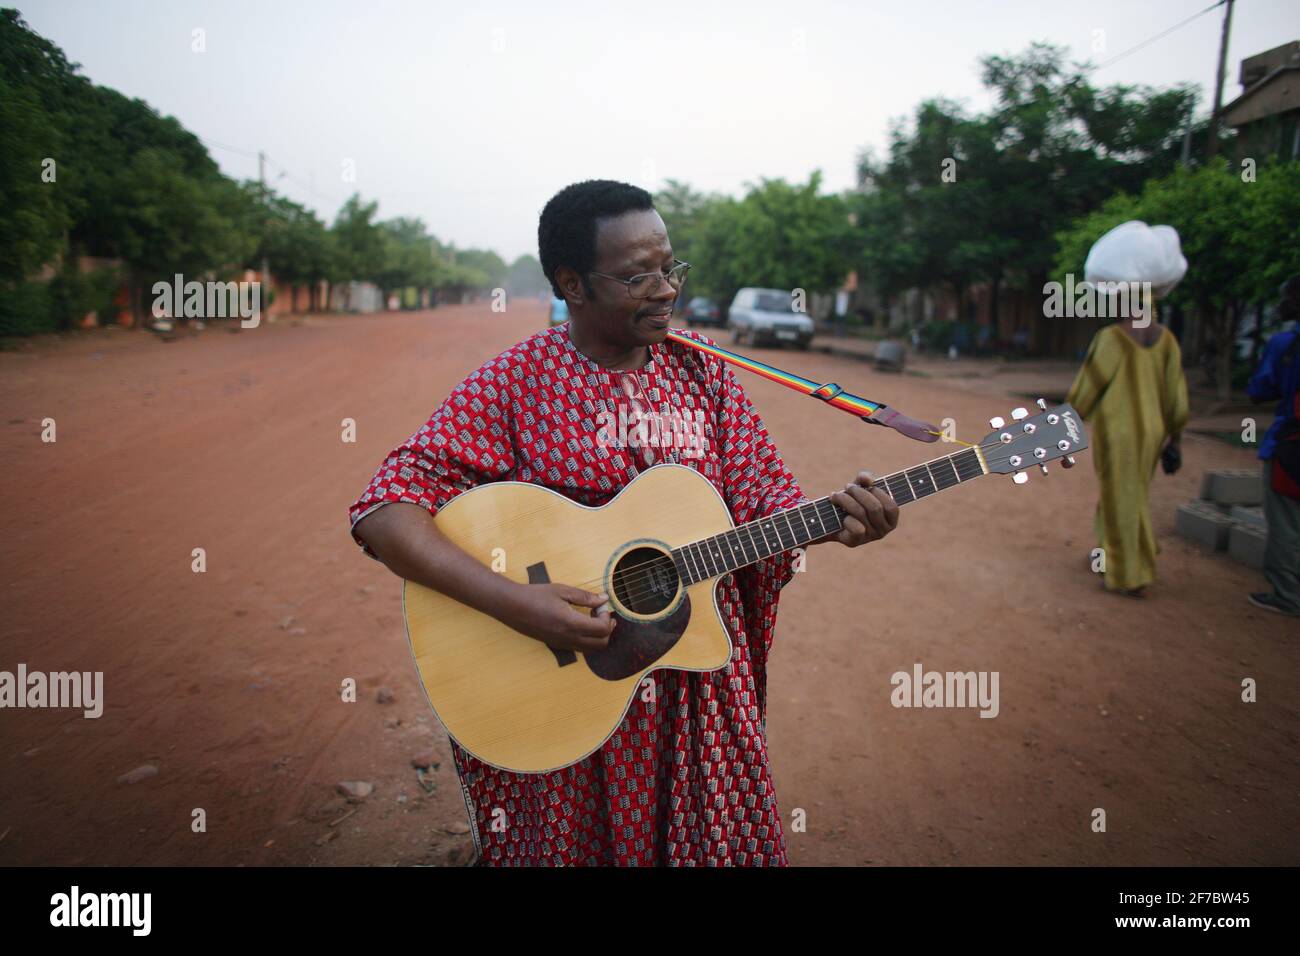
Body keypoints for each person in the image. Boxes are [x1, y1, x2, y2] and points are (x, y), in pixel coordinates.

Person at [347, 180, 900, 866]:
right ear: (572, 284)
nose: (666, 289)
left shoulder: (709, 376)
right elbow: (384, 509)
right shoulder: (515, 385)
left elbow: (765, 503)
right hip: (566, 701)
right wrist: (520, 605)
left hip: (694, 697)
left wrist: (834, 520)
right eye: (639, 276)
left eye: (671, 268)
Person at [1066, 306, 1189, 596]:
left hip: (1119, 431)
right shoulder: (1167, 339)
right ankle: (1109, 551)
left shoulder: (1112, 337)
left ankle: (1127, 573)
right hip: (1154, 431)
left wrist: (1066, 425)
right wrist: (1176, 438)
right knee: (1133, 492)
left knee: (1119, 494)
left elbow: (1088, 387)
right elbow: (1176, 396)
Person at [1245, 277, 1300, 617]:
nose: (1280, 306)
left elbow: (1259, 390)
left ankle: (1288, 595)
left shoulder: (1286, 345)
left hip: (1290, 446)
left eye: (1285, 298)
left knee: (1285, 522)